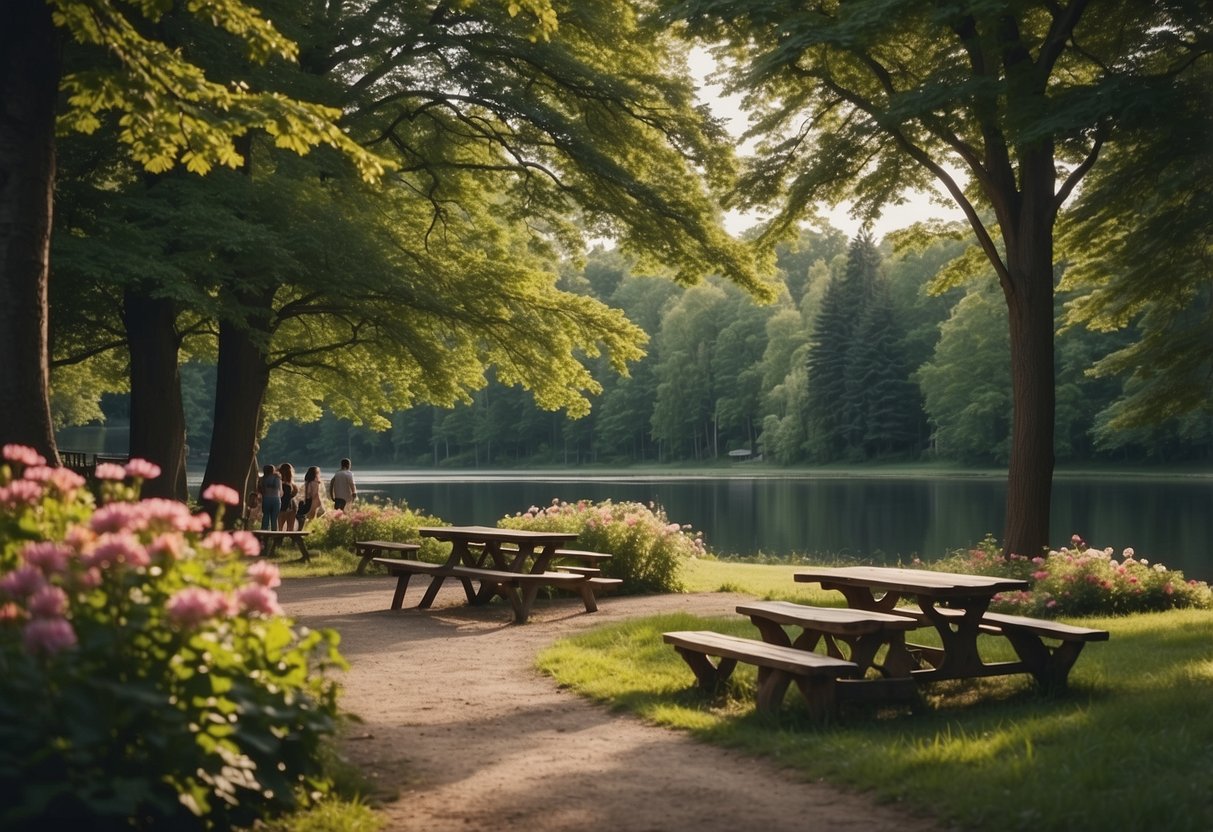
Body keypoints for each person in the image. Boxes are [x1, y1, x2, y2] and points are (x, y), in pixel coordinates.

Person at [297, 465, 324, 530]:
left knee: (311, 517)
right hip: (314, 500)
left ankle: (308, 529)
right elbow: (314, 493)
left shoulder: (308, 482)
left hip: (310, 500)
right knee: (312, 517)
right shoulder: (315, 482)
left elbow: (309, 493)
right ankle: (310, 530)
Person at [258, 464, 282, 531]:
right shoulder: (277, 478)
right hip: (276, 499)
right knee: (274, 518)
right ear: (273, 470)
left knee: (266, 516)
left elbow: (260, 490)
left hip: (266, 499)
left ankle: (264, 533)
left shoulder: (262, 479)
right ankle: (274, 533)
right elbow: (280, 491)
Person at [278, 462, 298, 531]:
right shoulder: (292, 485)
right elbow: (294, 493)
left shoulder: (278, 482)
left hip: (281, 507)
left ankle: (278, 541)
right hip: (291, 507)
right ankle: (291, 541)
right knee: (290, 529)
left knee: (279, 529)